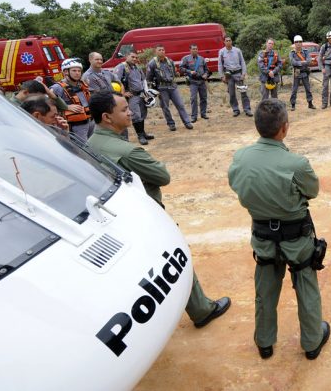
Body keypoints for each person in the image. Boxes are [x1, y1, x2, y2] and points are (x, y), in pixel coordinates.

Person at [87, 92, 231, 329]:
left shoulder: (90, 143)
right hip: (146, 215)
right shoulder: (128, 151)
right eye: (124, 110)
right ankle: (201, 310)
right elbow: (162, 176)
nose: (130, 112)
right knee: (175, 258)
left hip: (114, 216)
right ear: (107, 117)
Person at [228, 99, 330, 360]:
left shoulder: (241, 158)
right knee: (306, 286)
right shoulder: (296, 164)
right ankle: (311, 342)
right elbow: (313, 192)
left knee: (265, 289)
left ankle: (264, 342)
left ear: (257, 126)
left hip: (262, 236)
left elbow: (236, 185)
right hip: (297, 239)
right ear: (284, 128)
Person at [147, 44, 194, 130]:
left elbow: (174, 72)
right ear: (156, 51)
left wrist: (176, 74)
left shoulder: (169, 61)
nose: (162, 51)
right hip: (162, 88)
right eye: (160, 50)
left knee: (180, 105)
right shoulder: (152, 63)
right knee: (165, 107)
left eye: (163, 50)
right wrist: (154, 90)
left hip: (173, 86)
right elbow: (149, 78)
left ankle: (187, 122)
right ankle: (171, 124)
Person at [115, 50, 155, 145]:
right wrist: (123, 93)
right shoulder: (121, 67)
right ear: (126, 56)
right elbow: (115, 81)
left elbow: (143, 79)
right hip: (132, 96)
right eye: (132, 57)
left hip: (141, 95)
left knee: (142, 114)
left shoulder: (137, 67)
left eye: (136, 57)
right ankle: (140, 136)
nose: (135, 59)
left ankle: (143, 133)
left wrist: (146, 92)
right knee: (136, 115)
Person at [51, 58, 94, 141]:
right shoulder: (57, 88)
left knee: (92, 144)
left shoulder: (82, 85)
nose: (77, 73)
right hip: (76, 124)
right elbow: (49, 104)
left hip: (90, 120)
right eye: (74, 71)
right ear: (65, 72)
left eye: (79, 71)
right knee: (83, 147)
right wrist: (66, 107)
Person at [218, 36, 252, 117]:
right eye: (227, 41)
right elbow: (220, 64)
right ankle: (235, 110)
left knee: (243, 92)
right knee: (232, 93)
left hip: (238, 74)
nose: (228, 42)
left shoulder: (237, 50)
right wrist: (221, 76)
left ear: (231, 41)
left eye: (230, 40)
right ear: (224, 42)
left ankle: (247, 109)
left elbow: (242, 62)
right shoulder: (222, 52)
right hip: (229, 75)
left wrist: (243, 73)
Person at [179, 43, 211, 121]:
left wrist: (206, 75)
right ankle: (194, 116)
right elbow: (181, 68)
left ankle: (203, 114)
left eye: (196, 49)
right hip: (193, 81)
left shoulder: (202, 58)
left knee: (203, 98)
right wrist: (189, 71)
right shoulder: (186, 59)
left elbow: (206, 69)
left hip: (202, 81)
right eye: (193, 49)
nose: (195, 50)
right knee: (193, 99)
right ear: (190, 50)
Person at [289, 35, 316, 111]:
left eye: (300, 42)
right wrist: (303, 62)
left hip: (304, 72)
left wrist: (300, 63)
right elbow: (293, 62)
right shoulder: (292, 53)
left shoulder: (306, 51)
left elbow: (309, 61)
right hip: (297, 72)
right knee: (294, 89)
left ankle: (310, 103)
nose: (298, 43)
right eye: (296, 42)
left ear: (302, 43)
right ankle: (293, 105)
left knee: (308, 88)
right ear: (294, 43)